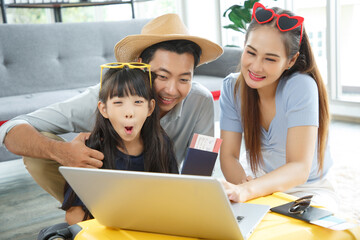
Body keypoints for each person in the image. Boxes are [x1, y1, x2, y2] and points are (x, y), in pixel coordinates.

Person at [0, 13, 223, 203]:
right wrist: (62, 152)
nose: (171, 90)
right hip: (103, 197)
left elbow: (202, 169)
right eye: (161, 76)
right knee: (37, 153)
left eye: (184, 79)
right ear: (139, 65)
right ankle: (93, 217)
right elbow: (12, 128)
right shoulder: (105, 98)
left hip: (165, 196)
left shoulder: (200, 101)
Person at [219, 2, 338, 211]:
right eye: (251, 52)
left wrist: (248, 191)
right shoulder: (232, 87)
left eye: (270, 59)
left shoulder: (301, 86)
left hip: (308, 190)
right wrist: (243, 189)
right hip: (262, 186)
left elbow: (299, 168)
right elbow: (228, 156)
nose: (256, 66)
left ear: (290, 60)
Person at [62, 63, 178, 224]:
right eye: (118, 103)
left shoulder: (162, 144)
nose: (129, 113)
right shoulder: (91, 151)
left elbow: (174, 199)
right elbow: (73, 213)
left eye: (138, 102)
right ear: (104, 109)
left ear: (150, 108)